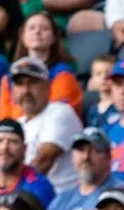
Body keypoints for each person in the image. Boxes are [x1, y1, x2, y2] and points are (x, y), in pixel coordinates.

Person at [9, 57, 83, 193]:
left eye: (32, 83)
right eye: (19, 84)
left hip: (61, 196)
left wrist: (13, 194)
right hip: (31, 199)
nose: (26, 90)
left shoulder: (60, 111)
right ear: (13, 91)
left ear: (48, 86)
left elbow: (44, 161)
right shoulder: (18, 124)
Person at [0, 12, 83, 120]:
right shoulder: (8, 78)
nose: (37, 32)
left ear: (54, 37)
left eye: (45, 28)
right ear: (22, 36)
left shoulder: (63, 75)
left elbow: (56, 115)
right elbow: (4, 120)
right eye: (32, 28)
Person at [48, 128, 121, 210]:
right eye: (80, 150)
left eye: (95, 151)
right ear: (72, 156)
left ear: (109, 157)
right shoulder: (60, 200)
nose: (86, 157)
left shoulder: (119, 192)